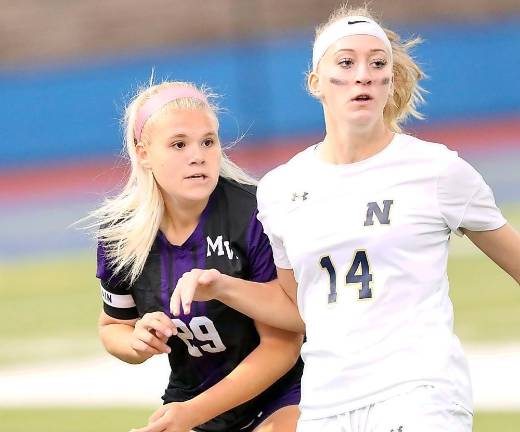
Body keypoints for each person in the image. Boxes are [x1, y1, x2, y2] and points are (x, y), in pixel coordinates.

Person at [170, 4, 520, 432]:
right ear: (316, 82)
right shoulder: (281, 189)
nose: (363, 75)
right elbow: (297, 309)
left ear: (390, 81)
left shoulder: (437, 171)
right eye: (346, 62)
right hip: (325, 403)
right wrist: (221, 285)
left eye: (377, 64)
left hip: (420, 392)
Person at [88, 80, 303, 432]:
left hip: (282, 391)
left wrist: (193, 413)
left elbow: (283, 346)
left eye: (208, 141)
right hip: (192, 395)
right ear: (143, 153)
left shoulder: (255, 214)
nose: (197, 155)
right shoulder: (121, 234)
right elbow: (113, 327)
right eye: (178, 144)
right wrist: (137, 342)